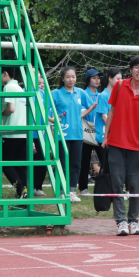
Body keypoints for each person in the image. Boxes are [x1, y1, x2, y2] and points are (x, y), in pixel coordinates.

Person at [102, 55, 139, 236]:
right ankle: (121, 222)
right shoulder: (120, 86)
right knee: (117, 183)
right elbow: (111, 111)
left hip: (137, 147)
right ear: (131, 70)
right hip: (116, 144)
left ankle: (133, 221)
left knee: (135, 186)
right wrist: (105, 136)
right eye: (136, 67)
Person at [51, 66, 96, 203]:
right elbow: (43, 108)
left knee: (76, 164)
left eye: (73, 77)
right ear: (62, 78)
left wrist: (81, 115)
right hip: (62, 134)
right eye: (68, 77)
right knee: (62, 164)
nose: (71, 79)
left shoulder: (80, 92)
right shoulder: (56, 93)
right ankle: (61, 191)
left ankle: (71, 191)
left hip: (77, 134)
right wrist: (53, 120)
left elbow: (91, 105)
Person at [0, 67, 29, 198]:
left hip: (11, 132)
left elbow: (11, 109)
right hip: (24, 132)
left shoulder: (8, 87)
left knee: (5, 163)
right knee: (20, 165)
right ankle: (24, 193)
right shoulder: (20, 89)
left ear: (5, 74)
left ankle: (21, 189)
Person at [79, 69, 104, 196]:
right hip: (86, 131)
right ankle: (83, 188)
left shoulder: (102, 95)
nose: (97, 80)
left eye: (98, 78)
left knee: (105, 160)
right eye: (94, 78)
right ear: (88, 79)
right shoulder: (82, 94)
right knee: (84, 161)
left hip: (99, 132)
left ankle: (106, 186)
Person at [32, 74, 48, 195]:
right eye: (39, 83)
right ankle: (27, 186)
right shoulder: (24, 91)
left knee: (42, 159)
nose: (41, 85)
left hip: (42, 133)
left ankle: (38, 187)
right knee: (30, 160)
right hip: (29, 132)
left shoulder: (44, 94)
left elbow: (48, 113)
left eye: (43, 83)